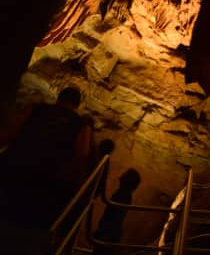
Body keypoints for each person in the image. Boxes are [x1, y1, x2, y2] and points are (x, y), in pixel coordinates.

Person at [0, 86, 93, 226]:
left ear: (59, 98)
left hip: (16, 164)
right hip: (47, 179)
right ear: (77, 105)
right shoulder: (81, 124)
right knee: (25, 223)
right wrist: (79, 181)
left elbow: (13, 130)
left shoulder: (37, 109)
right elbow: (82, 154)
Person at [92, 169, 141, 255]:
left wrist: (104, 234)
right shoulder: (125, 195)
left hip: (107, 235)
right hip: (110, 234)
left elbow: (115, 217)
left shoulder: (122, 194)